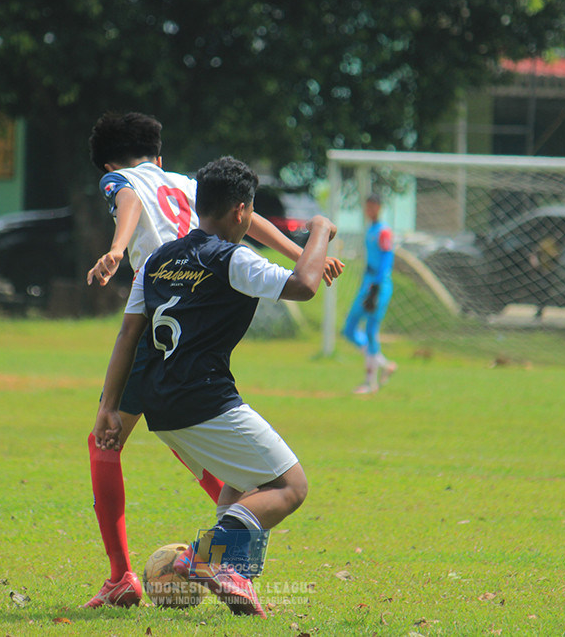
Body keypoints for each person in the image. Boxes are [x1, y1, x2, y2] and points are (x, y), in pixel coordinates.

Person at [83, 112, 343, 608]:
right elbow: (303, 285)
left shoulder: (156, 259)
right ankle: (204, 559)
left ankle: (225, 571)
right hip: (202, 391)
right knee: (290, 485)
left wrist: (108, 405)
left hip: (160, 389)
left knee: (235, 483)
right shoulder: (226, 251)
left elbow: (126, 334)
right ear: (241, 211)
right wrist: (315, 236)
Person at [342, 193, 397, 394]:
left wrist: (376, 285)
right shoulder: (369, 230)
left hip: (379, 285)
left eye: (372, 206)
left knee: (371, 331)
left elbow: (387, 258)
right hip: (367, 283)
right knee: (348, 329)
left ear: (379, 207)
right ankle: (383, 365)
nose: (368, 210)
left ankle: (370, 382)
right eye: (366, 207)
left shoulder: (383, 231)